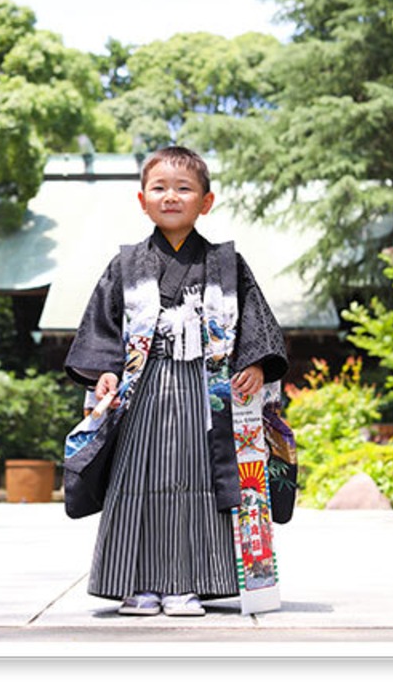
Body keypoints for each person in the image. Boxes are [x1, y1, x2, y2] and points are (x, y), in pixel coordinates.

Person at [64, 145, 288, 617]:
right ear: (142, 199)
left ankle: (190, 585)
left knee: (199, 479)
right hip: (143, 386)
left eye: (184, 189)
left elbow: (256, 323)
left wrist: (256, 364)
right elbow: (103, 328)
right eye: (159, 188)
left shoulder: (228, 264)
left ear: (206, 202)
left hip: (207, 390)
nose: (171, 196)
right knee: (137, 478)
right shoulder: (124, 264)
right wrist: (105, 370)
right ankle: (136, 584)